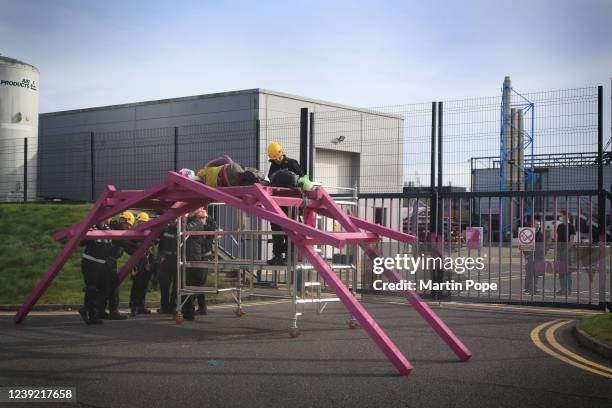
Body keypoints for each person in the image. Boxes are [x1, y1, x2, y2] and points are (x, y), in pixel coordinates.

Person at [266, 142, 304, 265]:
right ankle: (277, 255)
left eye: (276, 159)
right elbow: (270, 180)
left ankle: (290, 256)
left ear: (280, 155)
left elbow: (302, 178)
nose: (275, 162)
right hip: (276, 203)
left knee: (289, 228)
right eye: (273, 160)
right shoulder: (273, 166)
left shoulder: (292, 163)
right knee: (276, 228)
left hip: (291, 204)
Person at [181, 207, 217, 320]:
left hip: (201, 257)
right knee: (197, 285)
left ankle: (190, 310)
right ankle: (201, 308)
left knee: (194, 284)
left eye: (203, 218)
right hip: (198, 256)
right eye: (201, 217)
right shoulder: (202, 225)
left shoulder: (201, 225)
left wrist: (185, 218)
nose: (203, 219)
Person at [78, 218, 113, 325]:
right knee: (92, 288)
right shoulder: (91, 227)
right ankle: (91, 315)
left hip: (103, 264)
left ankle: (87, 309)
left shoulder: (108, 228)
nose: (110, 218)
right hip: (90, 263)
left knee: (104, 289)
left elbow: (110, 246)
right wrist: (85, 234)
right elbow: (81, 243)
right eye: (109, 216)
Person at [101, 211, 135, 320]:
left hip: (110, 261)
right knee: (111, 287)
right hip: (107, 262)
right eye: (127, 224)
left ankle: (102, 310)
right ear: (122, 220)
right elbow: (127, 246)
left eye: (130, 226)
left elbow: (129, 248)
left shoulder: (121, 232)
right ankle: (112, 311)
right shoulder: (116, 229)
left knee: (108, 287)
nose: (128, 227)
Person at [129, 212, 156, 317]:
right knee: (137, 285)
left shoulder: (150, 232)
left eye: (144, 222)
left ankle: (141, 306)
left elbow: (154, 246)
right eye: (140, 222)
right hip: (138, 262)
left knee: (144, 285)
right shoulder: (134, 233)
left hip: (147, 262)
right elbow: (130, 247)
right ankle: (134, 307)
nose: (142, 224)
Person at [157, 220, 178, 314]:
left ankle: (174, 306)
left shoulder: (181, 230)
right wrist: (160, 257)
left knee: (177, 286)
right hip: (166, 259)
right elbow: (160, 244)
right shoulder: (165, 229)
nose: (175, 220)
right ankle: (164, 307)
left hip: (177, 260)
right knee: (164, 285)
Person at [556, 210, 576, 295]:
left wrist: (566, 250)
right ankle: (562, 289)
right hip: (560, 251)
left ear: (566, 216)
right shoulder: (560, 226)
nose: (561, 217)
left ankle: (568, 290)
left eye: (562, 215)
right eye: (561, 215)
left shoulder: (571, 226)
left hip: (567, 252)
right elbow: (558, 239)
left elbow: (572, 240)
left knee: (567, 271)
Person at [524, 218, 545, 295]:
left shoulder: (541, 234)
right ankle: (527, 289)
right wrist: (526, 255)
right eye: (536, 224)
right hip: (530, 256)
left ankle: (534, 288)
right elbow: (524, 245)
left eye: (539, 225)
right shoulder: (528, 233)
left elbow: (543, 246)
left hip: (539, 257)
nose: (538, 226)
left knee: (536, 273)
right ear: (532, 225)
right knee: (529, 273)